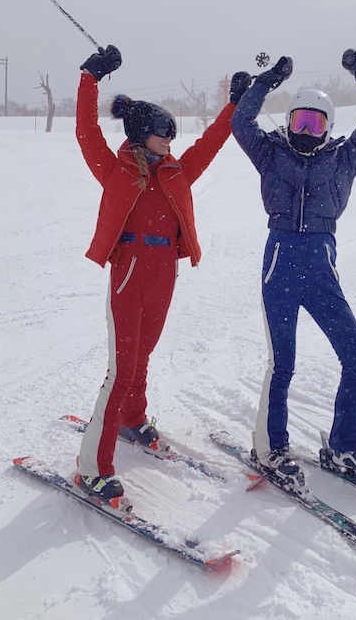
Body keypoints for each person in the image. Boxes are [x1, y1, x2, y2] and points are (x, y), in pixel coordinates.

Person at [74, 45, 248, 505]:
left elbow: (210, 143)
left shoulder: (175, 172)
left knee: (144, 355)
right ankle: (92, 467)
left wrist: (235, 104)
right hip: (129, 271)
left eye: (172, 135)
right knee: (121, 368)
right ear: (140, 135)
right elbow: (86, 131)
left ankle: (134, 418)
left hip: (163, 271)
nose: (170, 142)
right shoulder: (115, 169)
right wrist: (90, 78)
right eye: (162, 134)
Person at [230, 49, 356, 490]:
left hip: (321, 270)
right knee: (283, 364)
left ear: (328, 128)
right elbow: (241, 124)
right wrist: (266, 82)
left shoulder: (344, 160)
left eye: (314, 124)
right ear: (288, 122)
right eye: (299, 121)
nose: (304, 131)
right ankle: (271, 447)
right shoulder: (270, 154)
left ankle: (346, 444)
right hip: (280, 265)